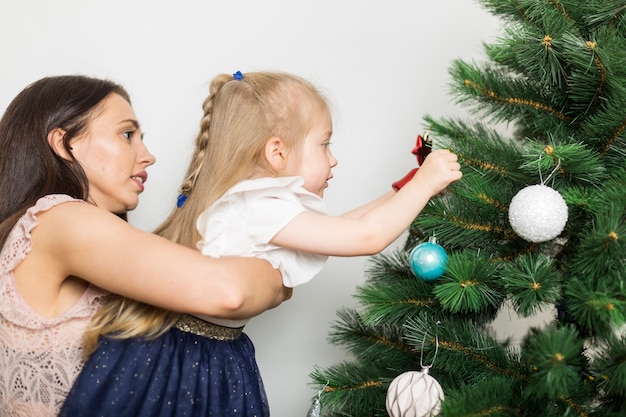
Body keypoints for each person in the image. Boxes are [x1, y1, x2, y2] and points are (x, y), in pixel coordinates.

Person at [60, 70, 462, 416]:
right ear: (276, 151)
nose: (334, 159)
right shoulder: (257, 204)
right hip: (180, 360)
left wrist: (405, 190)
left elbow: (342, 227)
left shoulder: (264, 205)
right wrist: (425, 184)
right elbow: (365, 236)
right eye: (324, 144)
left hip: (213, 350)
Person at [0, 75, 291, 417]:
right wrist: (286, 264)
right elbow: (228, 292)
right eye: (127, 135)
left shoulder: (64, 232)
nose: (148, 156)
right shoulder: (59, 219)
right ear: (65, 144)